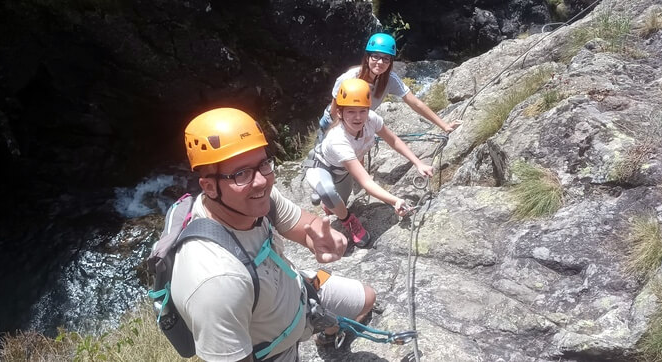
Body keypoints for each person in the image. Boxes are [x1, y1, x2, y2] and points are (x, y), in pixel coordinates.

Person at [172, 107, 376, 361]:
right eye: (241, 174)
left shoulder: (255, 201)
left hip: (300, 292)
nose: (262, 182)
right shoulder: (216, 283)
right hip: (275, 351)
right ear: (209, 187)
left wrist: (320, 240)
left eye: (263, 164)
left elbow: (303, 225)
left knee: (368, 297)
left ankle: (325, 335)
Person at [306, 79, 434, 248]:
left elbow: (393, 140)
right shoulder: (337, 139)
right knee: (328, 193)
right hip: (321, 167)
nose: (358, 117)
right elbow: (366, 182)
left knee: (336, 202)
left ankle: (327, 201)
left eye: (362, 111)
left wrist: (418, 163)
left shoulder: (371, 119)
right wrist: (394, 200)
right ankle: (348, 220)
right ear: (339, 113)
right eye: (351, 111)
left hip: (342, 171)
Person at [318, 32, 460, 136]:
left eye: (386, 59)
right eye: (376, 57)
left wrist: (444, 126)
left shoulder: (390, 79)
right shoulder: (348, 78)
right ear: (367, 58)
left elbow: (415, 103)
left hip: (356, 125)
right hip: (334, 123)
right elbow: (334, 111)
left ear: (391, 62)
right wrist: (350, 132)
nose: (380, 62)